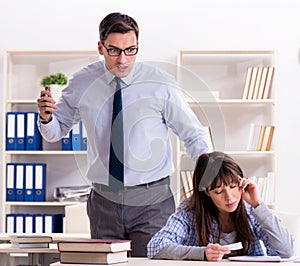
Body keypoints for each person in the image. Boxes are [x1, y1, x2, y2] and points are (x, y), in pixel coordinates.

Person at [37, 12, 211, 257]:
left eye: (130, 50)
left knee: (153, 263)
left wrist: (213, 173)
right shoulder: (82, 82)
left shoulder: (159, 83)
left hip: (152, 201)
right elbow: (56, 131)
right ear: (101, 47)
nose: (122, 60)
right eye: (114, 50)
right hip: (103, 202)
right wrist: (46, 117)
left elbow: (192, 134)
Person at [147, 151, 295, 261]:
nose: (229, 197)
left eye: (233, 186)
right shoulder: (190, 212)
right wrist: (202, 253)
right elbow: (155, 247)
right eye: (218, 191)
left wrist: (258, 204)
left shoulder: (251, 210)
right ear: (206, 192)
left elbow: (286, 251)